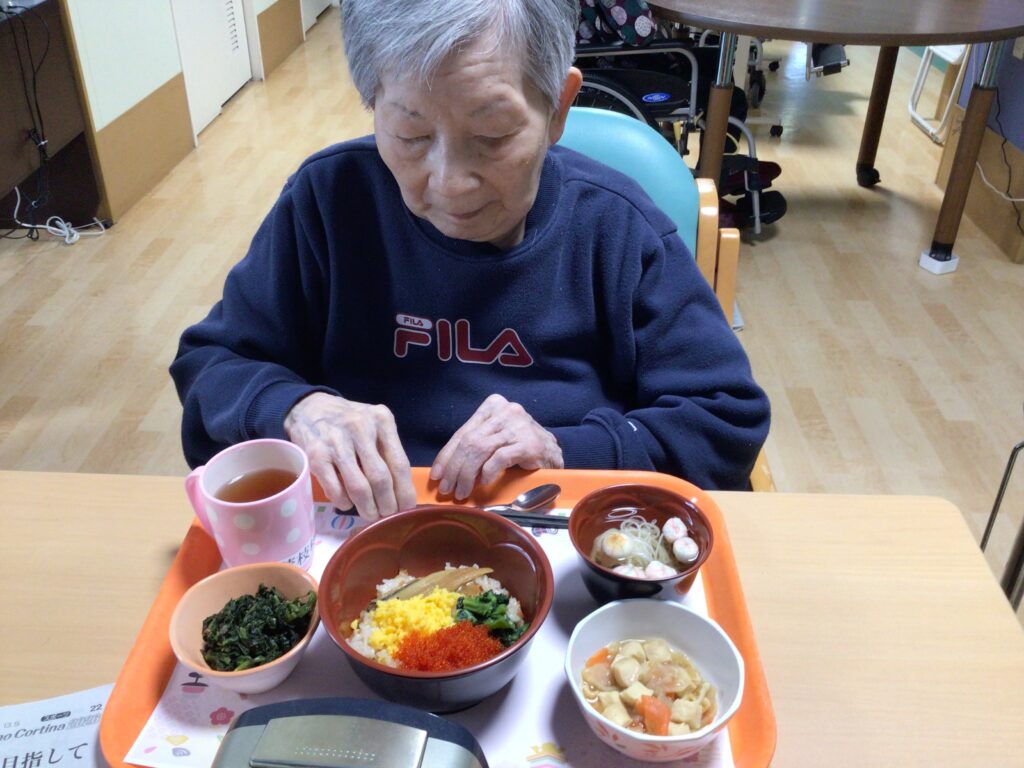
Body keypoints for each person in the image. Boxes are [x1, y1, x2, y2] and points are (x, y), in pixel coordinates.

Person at [170, 0, 770, 521]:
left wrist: (567, 452)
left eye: (492, 136)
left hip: (559, 536)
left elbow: (724, 419)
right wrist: (295, 409)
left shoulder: (615, 227)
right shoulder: (328, 202)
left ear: (558, 108)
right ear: (373, 104)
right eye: (410, 137)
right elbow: (213, 365)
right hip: (358, 538)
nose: (451, 183)